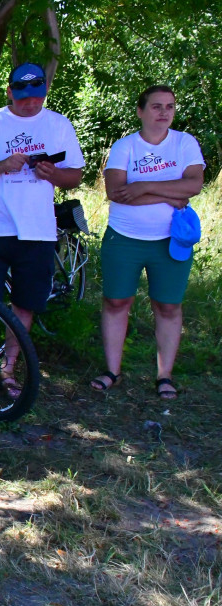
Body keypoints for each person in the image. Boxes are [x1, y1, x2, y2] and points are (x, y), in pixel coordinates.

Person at [0, 62, 84, 397]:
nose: (30, 103)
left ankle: (8, 369)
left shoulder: (58, 124)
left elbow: (75, 175)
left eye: (37, 96)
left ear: (44, 92)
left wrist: (52, 174)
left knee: (25, 305)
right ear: (10, 91)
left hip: (39, 232)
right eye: (23, 96)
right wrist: (0, 166)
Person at [92, 85, 204, 398]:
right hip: (124, 238)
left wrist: (142, 186)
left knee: (168, 306)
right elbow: (116, 192)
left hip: (170, 240)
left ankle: (164, 375)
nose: (163, 112)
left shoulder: (184, 143)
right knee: (116, 302)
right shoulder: (125, 147)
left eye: (169, 106)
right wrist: (171, 192)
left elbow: (194, 185)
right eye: (156, 106)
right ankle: (112, 370)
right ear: (141, 111)